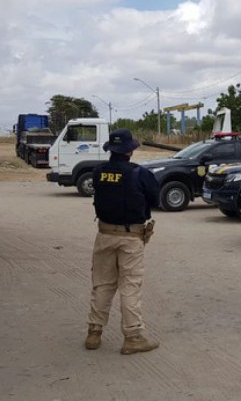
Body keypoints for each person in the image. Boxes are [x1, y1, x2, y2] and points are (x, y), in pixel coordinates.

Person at [85, 129, 161, 355]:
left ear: (111, 149)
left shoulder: (98, 172)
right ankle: (133, 336)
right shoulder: (140, 173)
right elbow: (155, 199)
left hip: (104, 234)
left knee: (102, 284)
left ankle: (94, 333)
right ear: (130, 150)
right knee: (130, 285)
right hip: (131, 237)